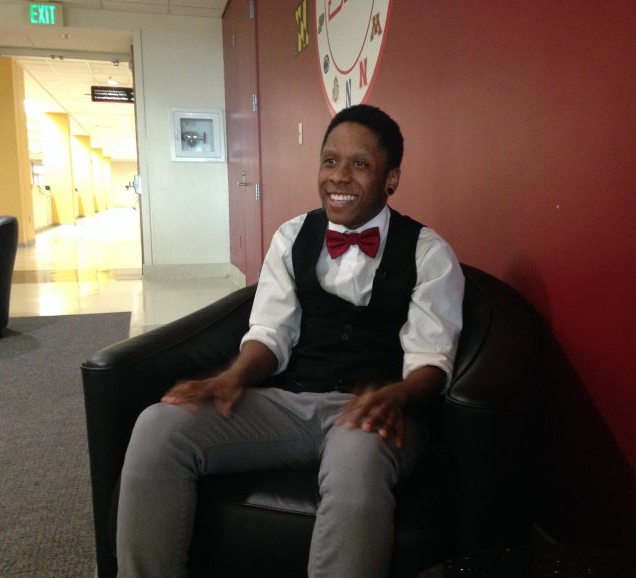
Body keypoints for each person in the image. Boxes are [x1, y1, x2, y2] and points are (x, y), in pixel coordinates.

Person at [116, 104, 465, 577]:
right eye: (329, 160)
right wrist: (232, 377)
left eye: (359, 164)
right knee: (159, 426)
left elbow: (431, 361)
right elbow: (270, 334)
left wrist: (396, 395)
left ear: (391, 178)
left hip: (374, 414)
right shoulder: (292, 236)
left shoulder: (429, 253)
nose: (339, 177)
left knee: (356, 469)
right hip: (289, 402)